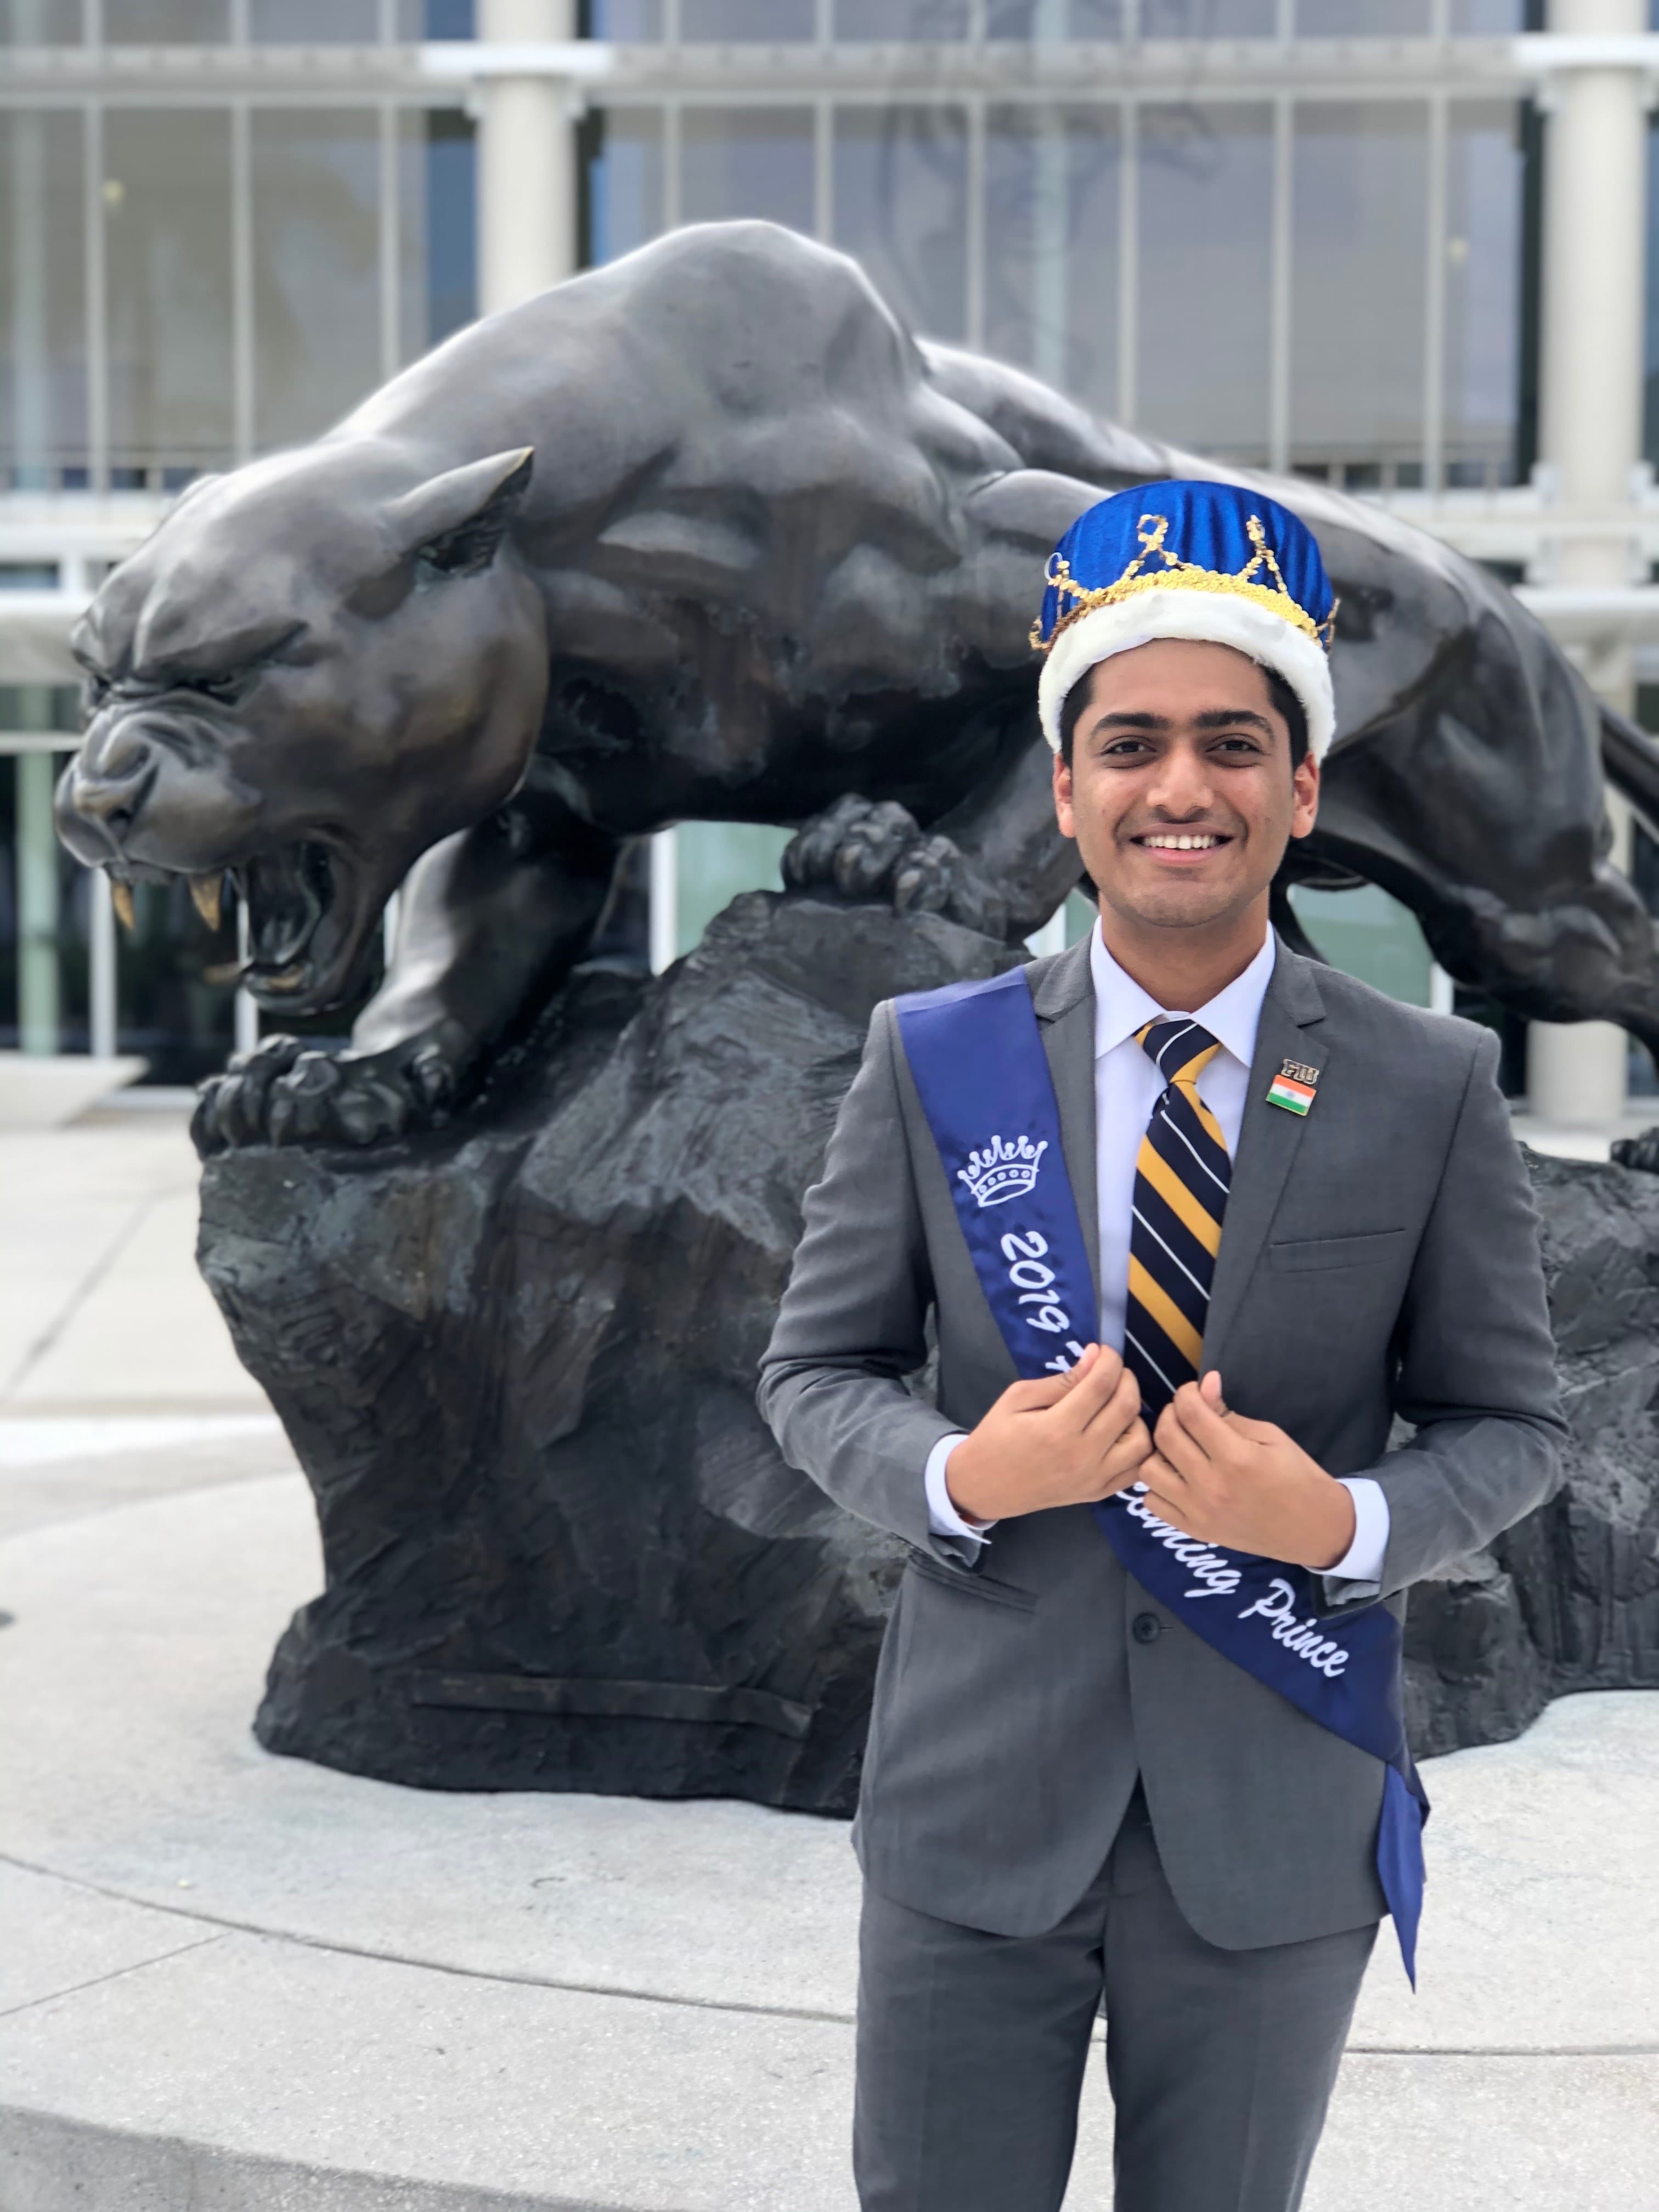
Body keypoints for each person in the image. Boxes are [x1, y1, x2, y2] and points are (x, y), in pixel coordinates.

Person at [756, 479, 1566, 2212]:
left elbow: (1515, 1424)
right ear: (1067, 790)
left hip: (1274, 1813)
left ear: (1302, 787)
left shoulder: (1428, 1087)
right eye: (1129, 744)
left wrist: (1338, 1523)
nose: (1179, 787)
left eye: (1229, 743)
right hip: (978, 1812)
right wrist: (966, 1473)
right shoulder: (934, 1056)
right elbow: (811, 1373)